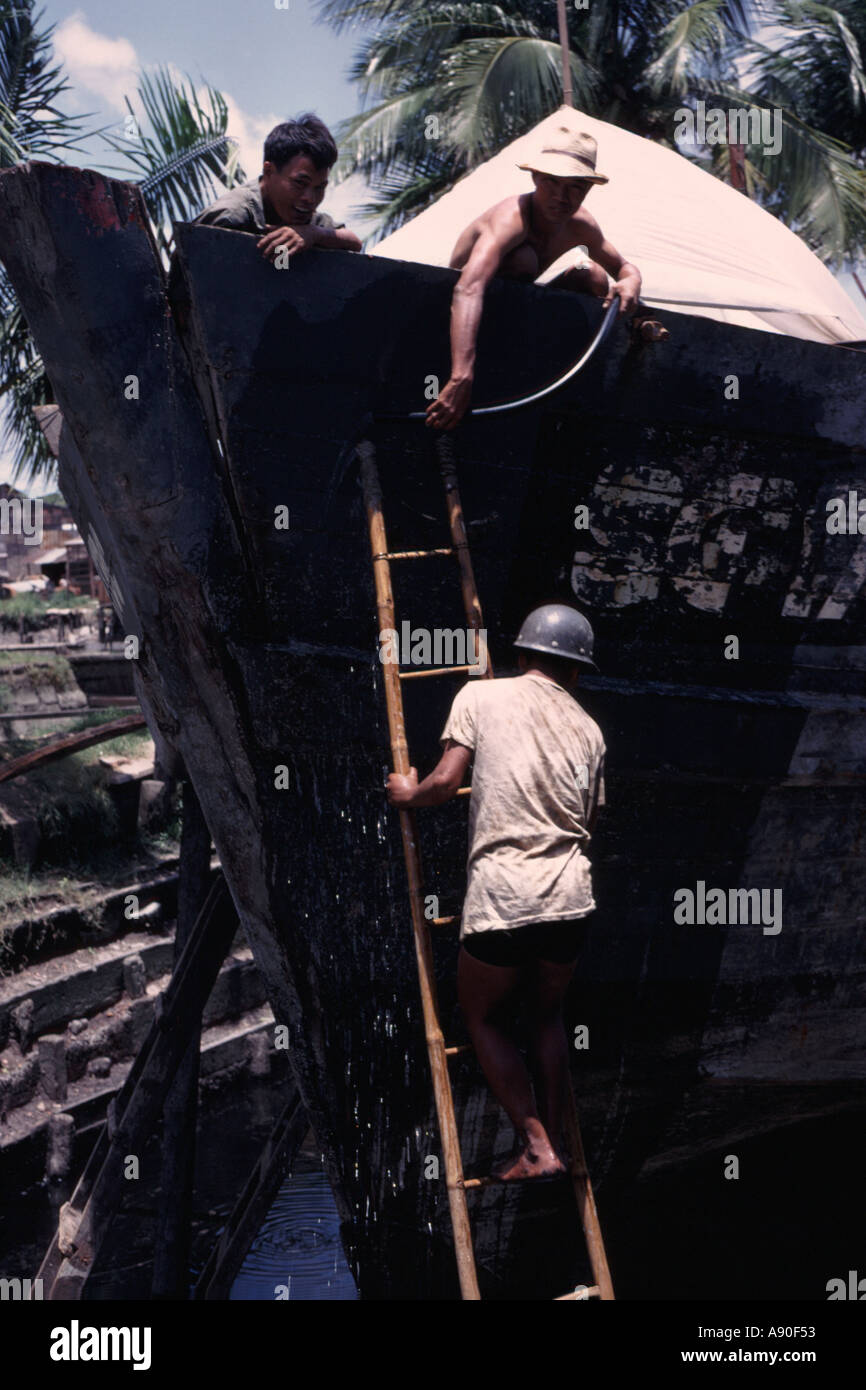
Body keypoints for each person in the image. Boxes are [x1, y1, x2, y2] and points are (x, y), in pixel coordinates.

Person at [387, 605, 606, 1181]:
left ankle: (536, 1147)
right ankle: (555, 1137)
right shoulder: (590, 729)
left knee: (481, 1017)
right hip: (569, 898)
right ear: (576, 673)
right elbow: (590, 814)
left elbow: (443, 784)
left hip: (505, 898)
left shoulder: (480, 698)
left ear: (521, 655)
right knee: (547, 1016)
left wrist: (404, 793)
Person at [426, 128, 642, 430]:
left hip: (521, 323)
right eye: (552, 182)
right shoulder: (510, 217)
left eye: (576, 187)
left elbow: (625, 268)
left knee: (592, 276)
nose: (561, 197)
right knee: (523, 258)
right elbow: (468, 288)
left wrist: (631, 281)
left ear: (589, 189)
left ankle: (558, 375)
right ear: (535, 178)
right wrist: (461, 375)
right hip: (460, 319)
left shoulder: (581, 225)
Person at [193, 112, 362, 262]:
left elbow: (354, 243)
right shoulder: (231, 216)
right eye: (300, 183)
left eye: (319, 188)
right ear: (269, 171)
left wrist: (313, 233)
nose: (310, 199)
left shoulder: (307, 221)